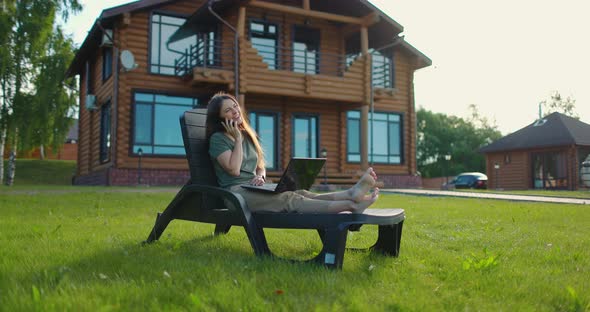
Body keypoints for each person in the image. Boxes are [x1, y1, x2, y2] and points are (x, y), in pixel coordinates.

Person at [206, 92, 379, 213]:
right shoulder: (218, 139)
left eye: (235, 106)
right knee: (290, 200)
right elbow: (234, 170)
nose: (235, 111)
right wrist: (237, 139)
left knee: (300, 193)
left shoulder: (247, 135)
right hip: (235, 194)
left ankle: (351, 194)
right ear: (220, 117)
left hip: (252, 187)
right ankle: (351, 206)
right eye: (228, 110)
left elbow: (260, 166)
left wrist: (261, 176)